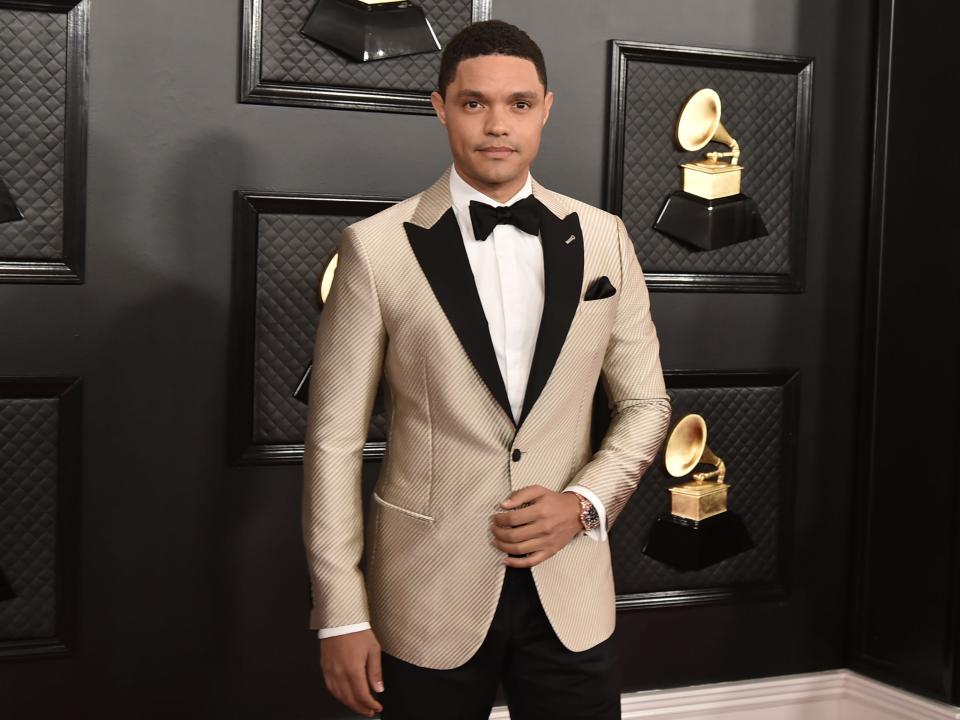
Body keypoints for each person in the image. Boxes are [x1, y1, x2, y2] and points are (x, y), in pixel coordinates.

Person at [302, 19, 671, 720]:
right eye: (474, 103)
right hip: (425, 593)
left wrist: (584, 503)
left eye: (519, 104)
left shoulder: (605, 239)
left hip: (571, 592)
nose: (497, 124)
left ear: (546, 108)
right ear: (440, 106)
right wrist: (342, 613)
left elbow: (646, 405)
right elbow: (333, 443)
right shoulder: (374, 250)